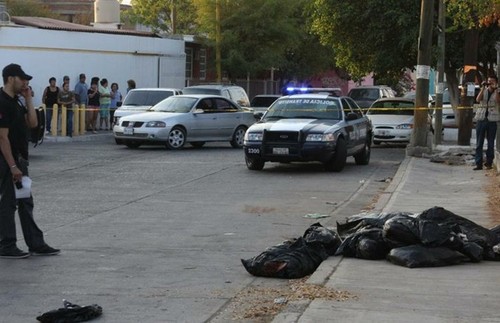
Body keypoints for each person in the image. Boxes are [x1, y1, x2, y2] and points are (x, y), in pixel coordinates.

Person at [0, 63, 60, 258]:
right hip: (7, 161)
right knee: (8, 203)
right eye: (22, 78)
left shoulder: (17, 101)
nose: (25, 82)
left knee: (25, 201)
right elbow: (2, 138)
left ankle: (35, 243)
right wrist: (13, 166)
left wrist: (28, 99)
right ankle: (6, 245)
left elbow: (33, 123)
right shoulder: (2, 101)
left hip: (20, 160)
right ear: (10, 78)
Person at [473, 75, 500, 170]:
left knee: (491, 143)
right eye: (489, 81)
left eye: (492, 81)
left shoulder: (498, 92)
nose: (490, 83)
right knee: (479, 143)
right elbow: (478, 99)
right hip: (481, 119)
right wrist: (482, 88)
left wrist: (496, 89)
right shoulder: (483, 90)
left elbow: (498, 101)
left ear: (496, 82)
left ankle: (489, 162)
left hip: (492, 120)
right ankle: (478, 163)